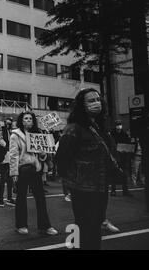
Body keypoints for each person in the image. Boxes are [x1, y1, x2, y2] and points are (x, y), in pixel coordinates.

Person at [56, 88, 120, 249]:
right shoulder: (74, 128)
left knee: (95, 227)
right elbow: (62, 159)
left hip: (100, 185)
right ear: (81, 106)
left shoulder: (100, 127)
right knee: (84, 227)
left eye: (98, 99)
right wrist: (73, 182)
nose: (96, 103)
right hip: (82, 188)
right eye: (91, 101)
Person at [9, 111, 58, 236]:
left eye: (30, 118)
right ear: (21, 121)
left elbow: (43, 155)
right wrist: (14, 173)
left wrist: (43, 155)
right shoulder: (15, 135)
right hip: (23, 169)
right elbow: (13, 155)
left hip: (36, 169)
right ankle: (21, 225)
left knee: (40, 198)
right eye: (26, 118)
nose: (28, 120)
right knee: (21, 198)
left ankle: (45, 226)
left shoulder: (38, 134)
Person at [110, 120, 133, 197]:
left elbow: (128, 144)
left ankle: (125, 191)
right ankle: (113, 191)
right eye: (117, 125)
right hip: (115, 156)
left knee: (124, 173)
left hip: (122, 156)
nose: (119, 126)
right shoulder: (112, 134)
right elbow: (110, 144)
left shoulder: (124, 134)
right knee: (113, 173)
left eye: (119, 124)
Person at [0, 117, 15, 207]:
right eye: (7, 123)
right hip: (4, 155)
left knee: (9, 178)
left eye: (10, 123)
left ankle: (9, 198)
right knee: (3, 178)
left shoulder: (11, 131)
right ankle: (1, 199)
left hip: (10, 154)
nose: (8, 124)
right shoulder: (2, 130)